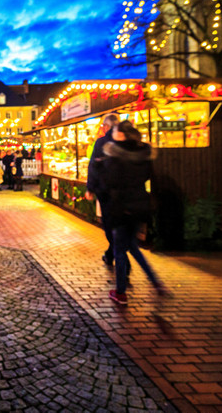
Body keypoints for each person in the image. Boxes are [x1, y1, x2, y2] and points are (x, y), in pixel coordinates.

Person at [103, 120, 165, 305]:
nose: (112, 132)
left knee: (120, 250)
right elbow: (149, 177)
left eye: (114, 130)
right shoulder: (143, 153)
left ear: (121, 134)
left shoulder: (115, 154)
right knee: (132, 246)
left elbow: (111, 181)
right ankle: (156, 282)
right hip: (140, 204)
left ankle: (120, 292)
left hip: (122, 206)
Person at [85, 114, 124, 268]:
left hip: (106, 191)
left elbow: (93, 167)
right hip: (123, 192)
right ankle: (111, 253)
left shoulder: (101, 142)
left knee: (109, 225)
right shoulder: (126, 142)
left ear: (106, 127)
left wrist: (90, 188)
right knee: (120, 226)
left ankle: (122, 262)